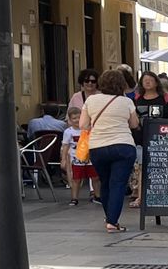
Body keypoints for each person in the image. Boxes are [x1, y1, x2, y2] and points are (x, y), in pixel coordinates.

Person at [79, 68, 140, 232]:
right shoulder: (126, 102)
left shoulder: (91, 100)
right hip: (123, 146)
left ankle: (110, 218)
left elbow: (83, 125)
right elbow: (134, 124)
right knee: (118, 184)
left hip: (98, 147)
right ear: (122, 84)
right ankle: (112, 221)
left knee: (105, 182)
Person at [60, 106, 97, 207]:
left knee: (95, 177)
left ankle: (97, 196)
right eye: (74, 118)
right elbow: (65, 146)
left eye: (79, 117)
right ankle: (74, 198)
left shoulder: (88, 129)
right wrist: (63, 159)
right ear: (70, 120)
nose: (77, 120)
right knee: (76, 179)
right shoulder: (68, 132)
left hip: (90, 158)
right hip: (76, 159)